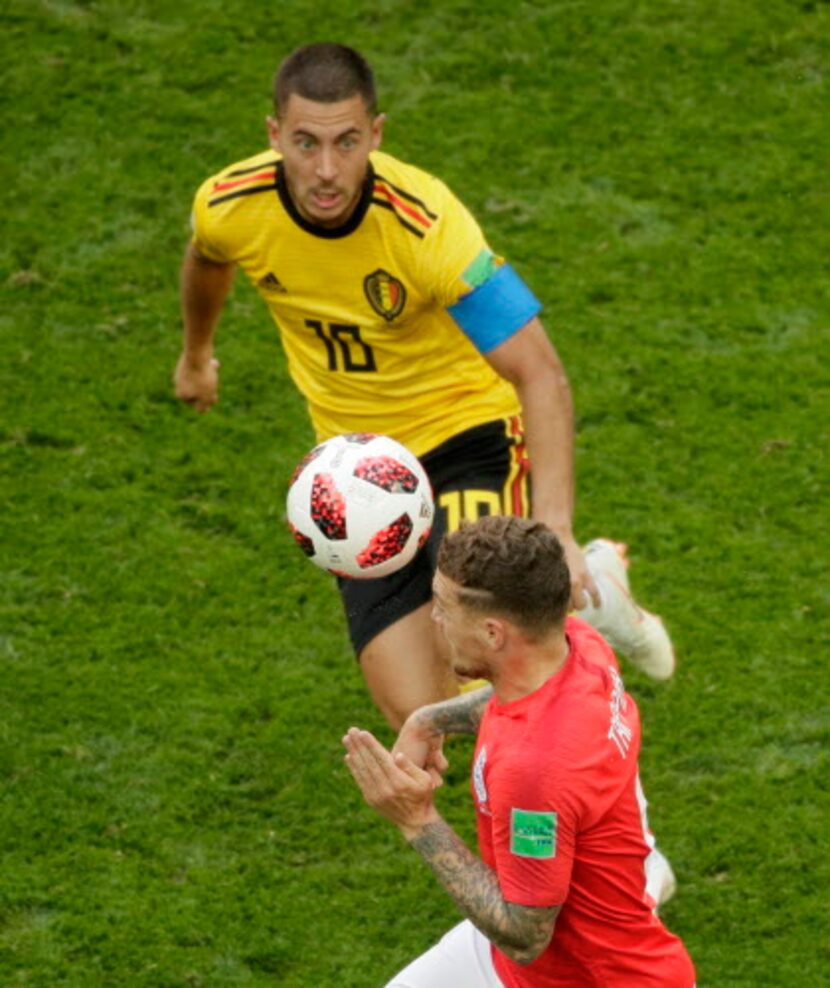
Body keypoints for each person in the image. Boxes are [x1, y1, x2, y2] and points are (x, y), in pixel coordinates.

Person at [175, 42, 674, 729]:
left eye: (347, 142)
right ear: (273, 135)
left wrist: (554, 526)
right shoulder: (231, 203)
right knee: (425, 707)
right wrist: (196, 355)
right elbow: (207, 257)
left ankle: (575, 619)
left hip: (468, 436)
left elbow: (541, 372)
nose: (326, 169)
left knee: (491, 651)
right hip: (358, 468)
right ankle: (585, 594)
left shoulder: (427, 225)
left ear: (376, 134)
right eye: (306, 143)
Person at [343, 516, 695, 987]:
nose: (435, 618)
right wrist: (429, 719)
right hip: (517, 961)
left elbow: (526, 935)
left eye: (445, 607)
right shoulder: (579, 648)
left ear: (493, 633)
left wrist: (416, 818)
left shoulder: (534, 772)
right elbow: (515, 702)